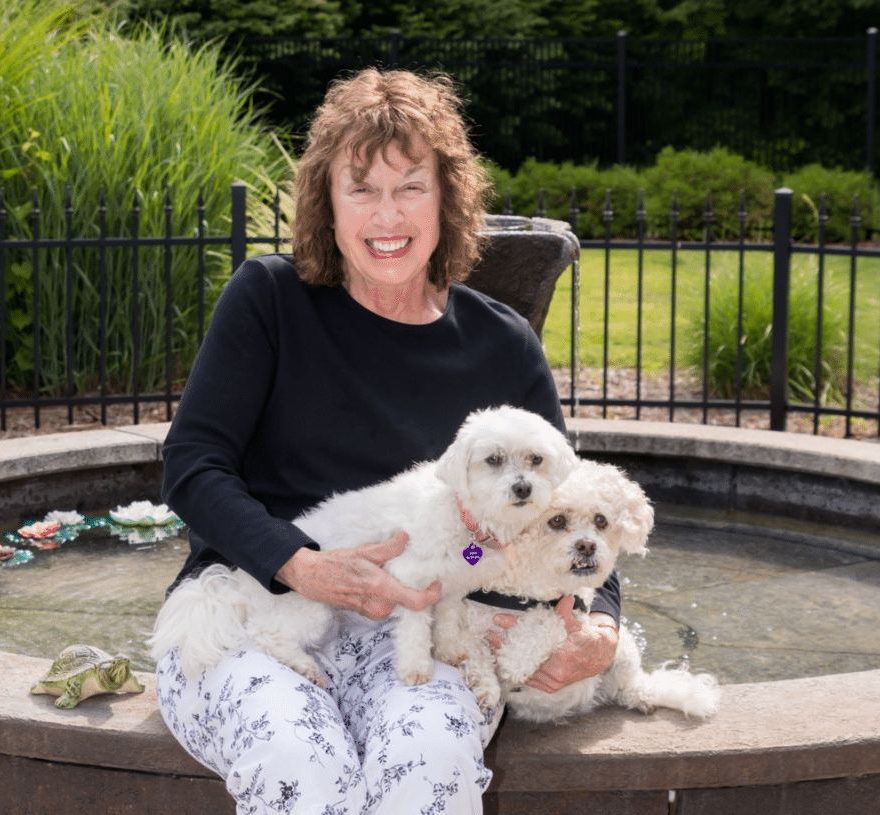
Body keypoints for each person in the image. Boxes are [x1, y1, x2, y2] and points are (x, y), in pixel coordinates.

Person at [155, 68, 621, 814]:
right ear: (326, 203)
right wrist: (300, 564)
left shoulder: (501, 347)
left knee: (428, 762)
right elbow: (192, 464)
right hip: (250, 609)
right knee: (297, 765)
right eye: (361, 187)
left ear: (447, 199)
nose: (386, 213)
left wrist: (600, 626)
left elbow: (573, 511)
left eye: (411, 186)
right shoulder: (269, 300)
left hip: (429, 630)